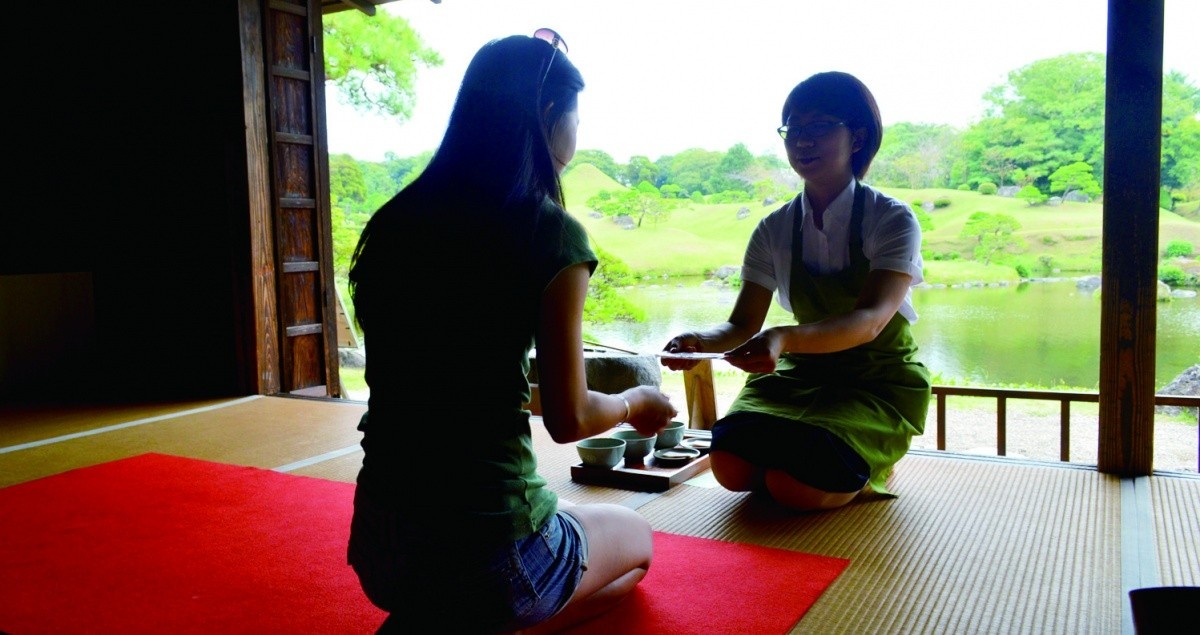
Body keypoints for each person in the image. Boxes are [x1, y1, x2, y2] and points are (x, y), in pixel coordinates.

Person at [344, 30, 677, 634]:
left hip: (382, 550)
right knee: (636, 540)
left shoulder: (394, 222)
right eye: (575, 117)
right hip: (491, 554)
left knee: (567, 525)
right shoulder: (548, 233)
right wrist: (634, 404)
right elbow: (569, 420)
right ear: (550, 115)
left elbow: (457, 382)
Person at [661, 71, 930, 512]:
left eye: (819, 127)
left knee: (794, 486)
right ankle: (845, 461)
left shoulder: (892, 219)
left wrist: (784, 338)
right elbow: (741, 323)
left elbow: (871, 321)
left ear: (857, 137)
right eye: (793, 130)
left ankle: (875, 465)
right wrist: (698, 342)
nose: (802, 141)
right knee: (730, 466)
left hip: (875, 381)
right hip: (799, 377)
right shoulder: (774, 227)